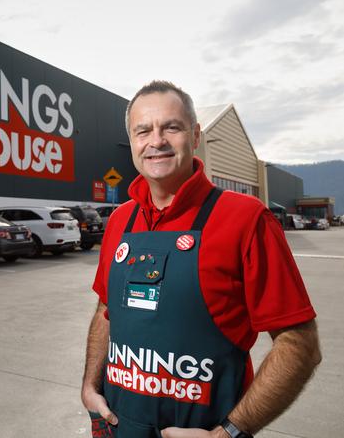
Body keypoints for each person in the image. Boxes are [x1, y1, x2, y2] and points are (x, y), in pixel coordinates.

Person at [81, 80, 321, 438]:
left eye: (171, 127)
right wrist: (90, 386)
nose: (156, 140)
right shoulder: (120, 220)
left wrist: (229, 432)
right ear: (131, 141)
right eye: (143, 130)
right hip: (119, 428)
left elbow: (299, 344)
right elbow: (106, 309)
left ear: (194, 136)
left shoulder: (246, 218)